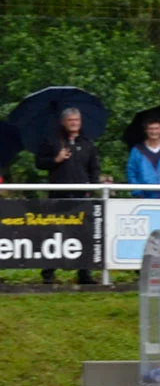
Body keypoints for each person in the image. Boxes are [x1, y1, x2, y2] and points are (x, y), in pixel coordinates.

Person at [34, 107, 103, 284]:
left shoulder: (87, 142)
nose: (74, 123)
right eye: (71, 120)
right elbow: (39, 163)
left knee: (83, 234)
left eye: (77, 120)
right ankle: (48, 273)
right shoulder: (51, 140)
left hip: (80, 195)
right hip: (58, 194)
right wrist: (55, 160)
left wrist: (93, 187)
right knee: (55, 233)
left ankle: (84, 274)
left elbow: (94, 168)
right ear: (64, 122)